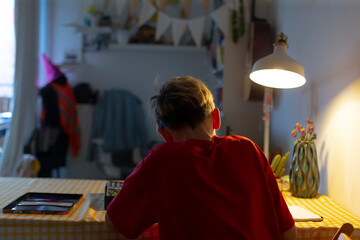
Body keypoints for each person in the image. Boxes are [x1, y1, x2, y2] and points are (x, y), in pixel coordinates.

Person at [105, 76, 296, 239]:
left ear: (165, 135)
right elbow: (289, 231)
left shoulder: (160, 160)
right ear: (216, 118)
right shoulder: (248, 148)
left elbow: (114, 221)